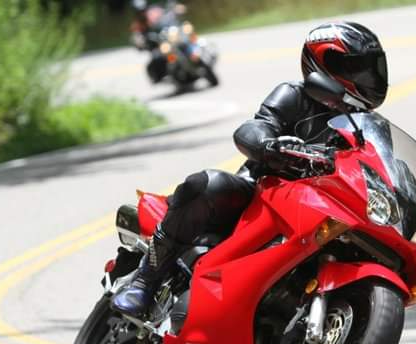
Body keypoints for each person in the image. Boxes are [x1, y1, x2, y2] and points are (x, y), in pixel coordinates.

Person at [111, 21, 390, 317]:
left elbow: (382, 170)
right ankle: (145, 281)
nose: (368, 77)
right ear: (325, 63)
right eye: (357, 68)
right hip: (262, 193)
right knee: (208, 184)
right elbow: (256, 127)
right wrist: (269, 145)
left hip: (321, 208)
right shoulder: (294, 95)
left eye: (371, 68)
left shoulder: (368, 127)